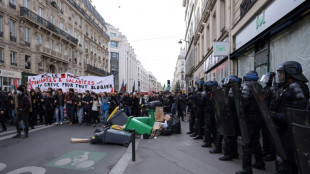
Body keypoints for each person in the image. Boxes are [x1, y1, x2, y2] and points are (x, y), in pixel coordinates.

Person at [271, 61, 309, 174]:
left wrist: (277, 116)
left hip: (290, 132)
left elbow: (299, 114)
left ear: (290, 73)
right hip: (283, 129)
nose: (280, 75)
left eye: (282, 73)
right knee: (282, 160)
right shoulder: (286, 87)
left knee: (288, 161)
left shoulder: (296, 87)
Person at [236, 71, 265, 174]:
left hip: (249, 119)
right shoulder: (259, 87)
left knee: (247, 143)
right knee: (256, 141)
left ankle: (247, 168)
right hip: (258, 119)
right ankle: (260, 162)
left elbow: (243, 104)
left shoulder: (247, 88)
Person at [260, 72, 277, 161]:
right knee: (265, 134)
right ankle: (265, 151)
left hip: (270, 115)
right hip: (264, 114)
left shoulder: (273, 89)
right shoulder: (266, 88)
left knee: (270, 135)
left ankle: (271, 153)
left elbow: (272, 103)